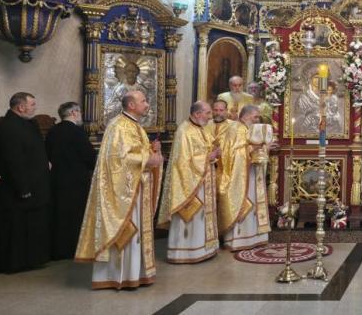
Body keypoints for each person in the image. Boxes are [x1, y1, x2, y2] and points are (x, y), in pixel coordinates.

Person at [76, 91, 164, 290]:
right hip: (123, 193)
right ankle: (118, 276)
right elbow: (117, 159)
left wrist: (152, 150)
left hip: (136, 188)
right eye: (143, 101)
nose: (147, 104)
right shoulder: (118, 126)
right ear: (131, 105)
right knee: (126, 230)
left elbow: (135, 152)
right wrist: (147, 158)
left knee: (136, 232)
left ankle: (134, 273)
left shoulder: (134, 125)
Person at [0, 92, 51, 273]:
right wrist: (24, 188)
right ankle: (16, 263)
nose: (35, 108)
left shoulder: (29, 124)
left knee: (31, 225)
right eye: (32, 104)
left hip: (35, 185)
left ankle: (31, 260)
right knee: (16, 228)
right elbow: (13, 161)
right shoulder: (8, 127)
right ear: (21, 107)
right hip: (19, 188)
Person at [157, 101, 221, 263]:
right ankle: (186, 253)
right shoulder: (184, 131)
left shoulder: (202, 128)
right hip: (189, 183)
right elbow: (183, 161)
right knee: (191, 214)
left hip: (203, 180)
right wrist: (209, 156)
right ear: (197, 114)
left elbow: (206, 147)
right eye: (207, 113)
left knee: (201, 216)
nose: (210, 116)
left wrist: (214, 150)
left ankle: (204, 249)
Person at [46, 101, 97, 260]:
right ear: (74, 113)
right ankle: (73, 248)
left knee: (59, 214)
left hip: (57, 179)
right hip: (77, 180)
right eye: (79, 112)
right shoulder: (77, 132)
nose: (80, 115)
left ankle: (58, 249)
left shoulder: (53, 131)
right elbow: (89, 156)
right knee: (75, 215)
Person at [218, 105, 272, 250]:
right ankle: (239, 240)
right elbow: (232, 154)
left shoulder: (247, 129)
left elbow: (252, 149)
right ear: (246, 116)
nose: (257, 120)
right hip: (240, 178)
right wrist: (253, 148)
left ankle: (254, 237)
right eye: (255, 117)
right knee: (244, 203)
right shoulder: (236, 129)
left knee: (254, 203)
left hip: (252, 174)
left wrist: (264, 147)